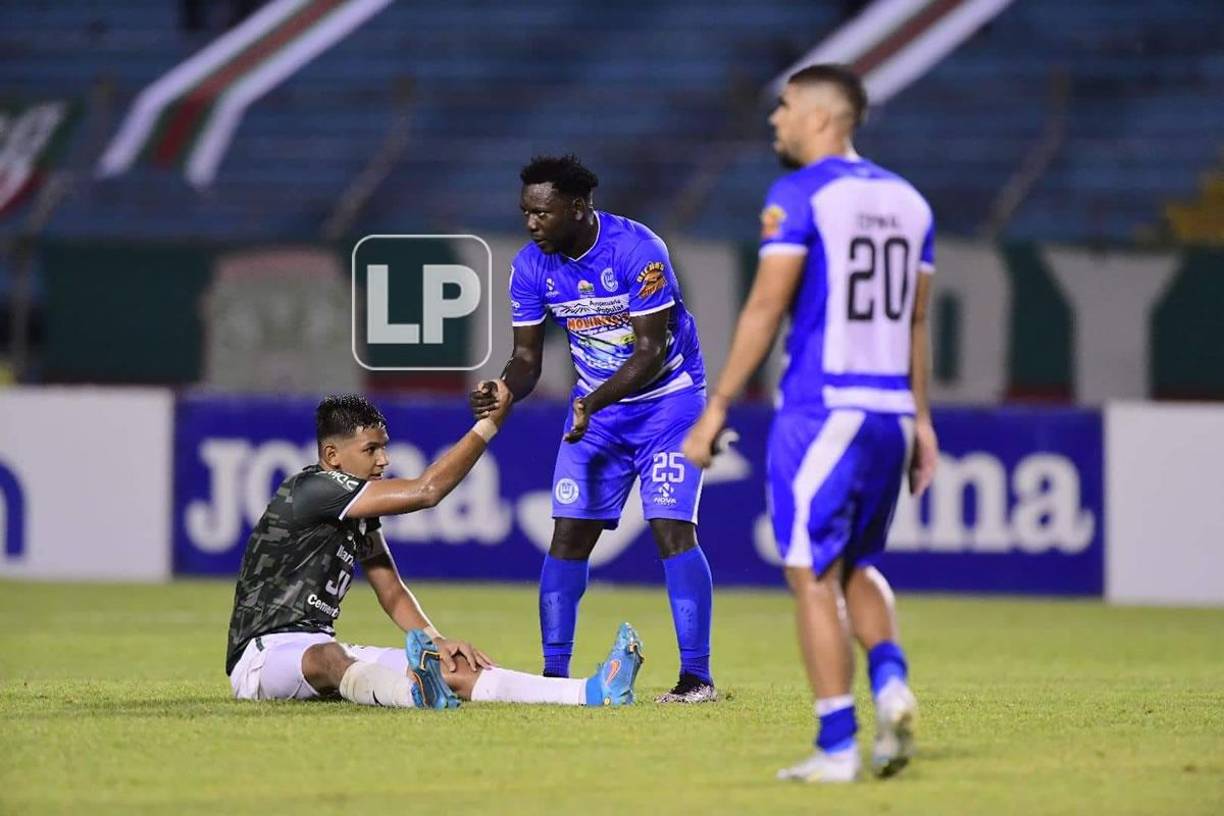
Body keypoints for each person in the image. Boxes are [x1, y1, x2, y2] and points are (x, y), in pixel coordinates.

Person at [683, 64, 937, 781]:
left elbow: (765, 309)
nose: (776, 120)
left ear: (824, 118)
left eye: (786, 106)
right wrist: (923, 421)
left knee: (809, 573)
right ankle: (888, 682)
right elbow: (917, 322)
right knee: (855, 564)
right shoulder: (911, 203)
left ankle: (836, 745)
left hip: (824, 407)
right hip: (889, 411)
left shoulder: (800, 194)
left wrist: (719, 407)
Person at [469, 154, 715, 703]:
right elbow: (527, 361)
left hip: (669, 406)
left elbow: (650, 353)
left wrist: (592, 400)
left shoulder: (638, 251)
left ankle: (696, 678)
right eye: (525, 212)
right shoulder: (531, 266)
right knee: (567, 537)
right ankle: (554, 679)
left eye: (543, 212)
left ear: (578, 208)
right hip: (597, 415)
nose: (531, 224)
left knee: (671, 528)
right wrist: (504, 389)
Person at [225, 388, 644, 709]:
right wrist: (488, 426)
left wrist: (436, 640)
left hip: (315, 649)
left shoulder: (355, 512)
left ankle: (593, 692)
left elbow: (390, 590)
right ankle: (412, 694)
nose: (383, 460)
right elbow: (427, 491)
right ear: (332, 455)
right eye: (371, 449)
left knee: (455, 668)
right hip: (262, 658)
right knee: (328, 657)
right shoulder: (311, 489)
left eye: (384, 446)